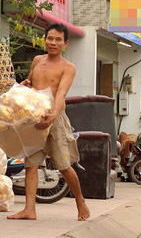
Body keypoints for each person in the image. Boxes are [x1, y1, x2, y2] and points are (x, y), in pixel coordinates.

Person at [8, 23, 90, 221]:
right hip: (35, 119)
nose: (53, 43)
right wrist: (23, 86)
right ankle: (29, 209)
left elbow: (61, 93)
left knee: (64, 165)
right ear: (45, 39)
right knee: (31, 164)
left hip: (56, 119)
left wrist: (54, 114)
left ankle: (79, 199)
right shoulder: (37, 60)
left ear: (65, 43)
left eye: (58, 40)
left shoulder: (68, 67)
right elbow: (30, 83)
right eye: (50, 38)